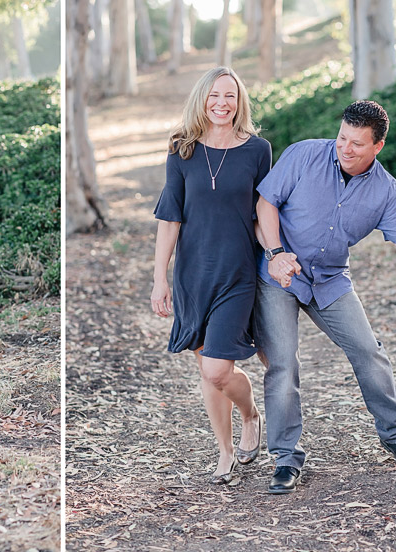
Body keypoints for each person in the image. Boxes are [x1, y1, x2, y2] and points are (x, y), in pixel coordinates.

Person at [254, 100, 396, 495]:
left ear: (378, 146)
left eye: (357, 143)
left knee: (369, 351)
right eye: (342, 138)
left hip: (330, 280)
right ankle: (286, 457)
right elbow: (265, 203)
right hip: (279, 274)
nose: (345, 148)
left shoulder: (385, 190)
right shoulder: (303, 154)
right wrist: (274, 254)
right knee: (283, 364)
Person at [151, 66, 273, 484]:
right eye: (214, 96)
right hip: (192, 275)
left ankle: (250, 414)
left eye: (231, 96)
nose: (222, 104)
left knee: (218, 369)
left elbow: (262, 211)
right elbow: (170, 218)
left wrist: (275, 251)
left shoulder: (258, 150)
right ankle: (224, 452)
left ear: (240, 102)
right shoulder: (181, 149)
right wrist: (159, 278)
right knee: (207, 369)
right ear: (202, 99)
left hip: (237, 272)